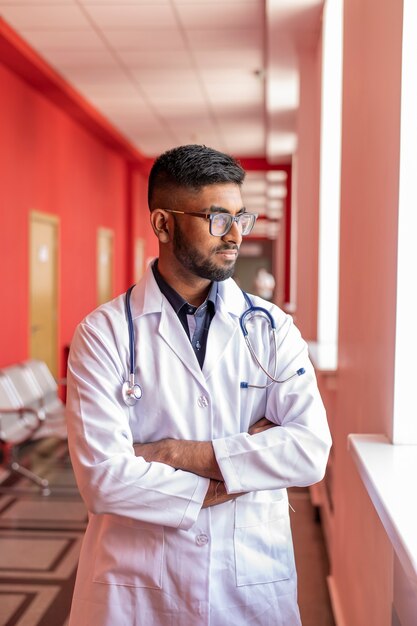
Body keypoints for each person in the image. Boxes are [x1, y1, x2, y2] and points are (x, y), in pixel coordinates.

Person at [66, 144, 331, 626]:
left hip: (248, 580)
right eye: (215, 218)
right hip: (136, 588)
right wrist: (247, 464)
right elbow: (104, 481)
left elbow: (309, 452)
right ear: (163, 224)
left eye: (240, 217)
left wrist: (169, 454)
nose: (235, 235)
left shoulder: (271, 328)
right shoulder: (102, 334)